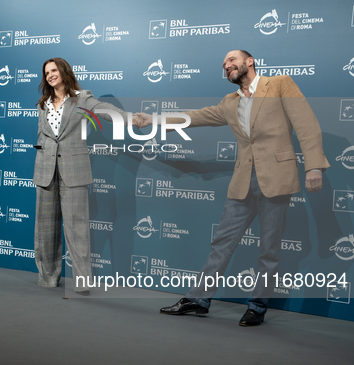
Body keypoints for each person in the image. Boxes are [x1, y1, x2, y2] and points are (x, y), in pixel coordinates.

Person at [136, 50, 330, 325]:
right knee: (222, 244)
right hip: (242, 182)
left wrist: (313, 166)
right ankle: (198, 298)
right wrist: (152, 120)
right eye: (224, 65)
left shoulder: (279, 84)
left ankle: (257, 306)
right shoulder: (229, 102)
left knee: (269, 249)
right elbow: (194, 117)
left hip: (276, 180)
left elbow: (307, 125)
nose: (227, 66)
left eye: (231, 60)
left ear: (249, 61)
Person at [33, 57, 140, 295]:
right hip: (45, 172)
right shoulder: (43, 104)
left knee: (77, 228)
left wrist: (127, 117)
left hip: (74, 170)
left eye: (54, 70)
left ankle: (81, 282)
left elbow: (104, 110)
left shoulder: (82, 98)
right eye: (46, 72)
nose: (50, 75)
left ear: (64, 71)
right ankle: (48, 277)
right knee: (45, 230)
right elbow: (42, 135)